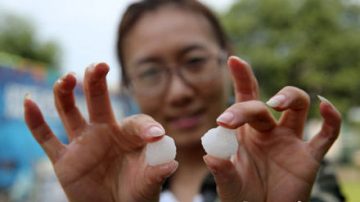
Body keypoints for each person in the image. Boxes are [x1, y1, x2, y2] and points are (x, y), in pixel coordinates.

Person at [24, 0, 345, 201]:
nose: (179, 92)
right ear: (130, 84)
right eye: (150, 72)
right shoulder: (103, 175)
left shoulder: (288, 162)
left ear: (226, 58)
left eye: (194, 62)